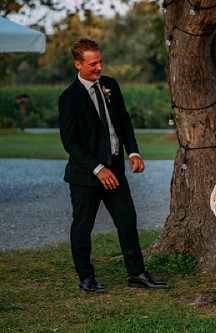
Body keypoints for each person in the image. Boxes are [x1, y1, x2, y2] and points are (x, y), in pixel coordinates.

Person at [58, 38, 167, 292]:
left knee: (127, 220)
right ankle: (86, 278)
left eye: (100, 62)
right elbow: (70, 142)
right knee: (83, 228)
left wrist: (134, 153)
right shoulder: (69, 98)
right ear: (78, 64)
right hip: (85, 177)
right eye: (93, 63)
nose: (99, 67)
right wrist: (98, 169)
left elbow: (124, 121)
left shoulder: (110, 86)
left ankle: (137, 273)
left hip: (116, 172)